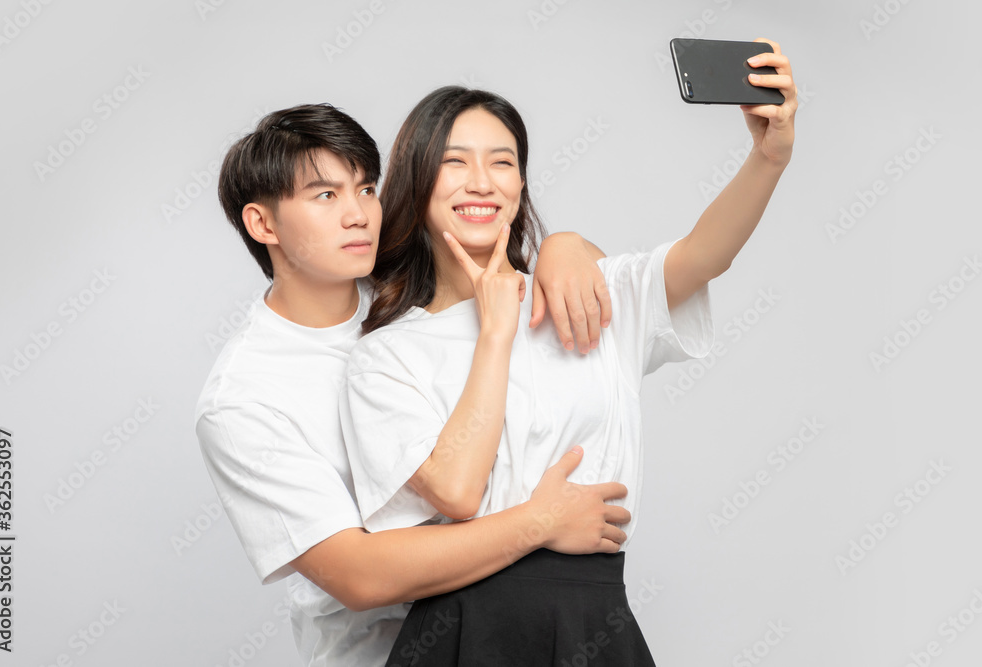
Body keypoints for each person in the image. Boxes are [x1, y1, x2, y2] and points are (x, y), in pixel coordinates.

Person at [343, 40, 797, 665]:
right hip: (457, 631)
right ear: (419, 181)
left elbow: (702, 256)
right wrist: (497, 332)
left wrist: (768, 158)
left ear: (520, 182)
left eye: (502, 162)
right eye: (455, 162)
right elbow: (454, 491)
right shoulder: (386, 356)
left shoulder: (585, 296)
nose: (481, 182)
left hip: (592, 618)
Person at [195, 103, 633, 666]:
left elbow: (551, 275)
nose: (359, 215)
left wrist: (563, 245)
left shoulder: (415, 292)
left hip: (514, 631)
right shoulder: (243, 399)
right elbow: (359, 575)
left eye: (368, 189)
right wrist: (539, 521)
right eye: (326, 196)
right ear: (263, 224)